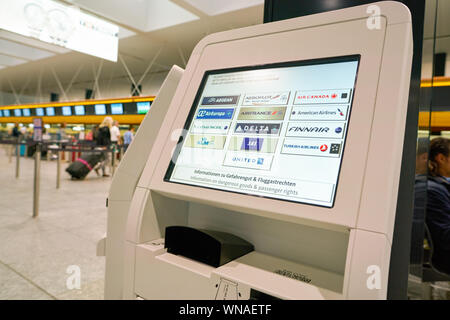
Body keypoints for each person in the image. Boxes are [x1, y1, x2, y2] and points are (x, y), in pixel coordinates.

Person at [424, 137, 450, 276]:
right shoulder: (432, 190)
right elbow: (444, 237)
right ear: (441, 158)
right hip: (444, 265)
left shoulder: (439, 186)